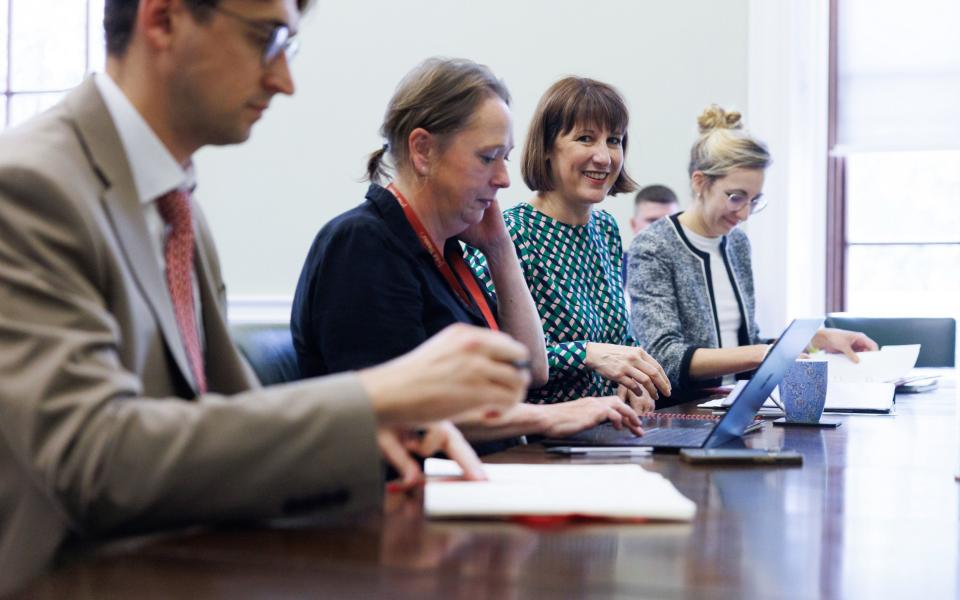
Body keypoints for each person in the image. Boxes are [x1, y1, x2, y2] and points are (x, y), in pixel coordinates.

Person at [0, 1, 528, 592]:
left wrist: (370, 428)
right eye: (266, 38)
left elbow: (221, 417)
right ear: (164, 19)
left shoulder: (179, 205)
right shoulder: (29, 187)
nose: (284, 80)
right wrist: (374, 398)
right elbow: (95, 458)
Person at [292, 59, 644, 443]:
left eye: (505, 158)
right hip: (415, 491)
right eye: (488, 157)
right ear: (423, 150)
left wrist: (499, 248)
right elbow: (401, 413)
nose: (505, 179)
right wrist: (546, 418)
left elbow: (531, 370)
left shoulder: (447, 250)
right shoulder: (363, 244)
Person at [626, 105, 877, 393]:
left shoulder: (737, 244)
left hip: (740, 404)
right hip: (684, 413)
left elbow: (746, 344)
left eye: (754, 201)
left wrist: (816, 339)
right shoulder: (654, 246)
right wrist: (762, 354)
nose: (744, 214)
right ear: (699, 182)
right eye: (736, 197)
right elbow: (663, 356)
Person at [466, 77, 672, 412]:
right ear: (547, 148)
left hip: (606, 430)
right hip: (537, 439)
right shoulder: (511, 233)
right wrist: (586, 353)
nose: (604, 157)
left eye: (614, 140)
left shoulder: (605, 228)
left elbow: (620, 339)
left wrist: (635, 381)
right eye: (585, 139)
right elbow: (491, 356)